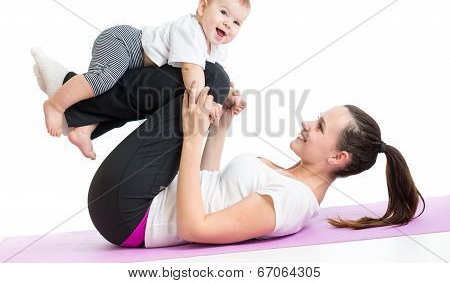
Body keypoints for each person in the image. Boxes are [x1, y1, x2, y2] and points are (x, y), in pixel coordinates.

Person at [33, 59, 425, 248]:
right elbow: (208, 186)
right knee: (212, 83)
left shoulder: (293, 202)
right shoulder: (290, 179)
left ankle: (76, 100)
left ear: (338, 158)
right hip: (139, 199)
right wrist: (219, 127)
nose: (308, 123)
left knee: (211, 78)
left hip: (130, 215)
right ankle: (81, 114)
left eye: (320, 126)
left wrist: (193, 136)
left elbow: (195, 227)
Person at [33, 0, 251, 159]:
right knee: (104, 79)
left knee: (135, 102)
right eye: (223, 12)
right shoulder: (191, 29)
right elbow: (192, 71)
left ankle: (85, 128)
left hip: (138, 64)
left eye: (236, 22)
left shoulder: (217, 51)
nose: (228, 23)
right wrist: (207, 101)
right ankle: (55, 104)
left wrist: (228, 97)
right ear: (203, 8)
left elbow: (214, 75)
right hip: (126, 43)